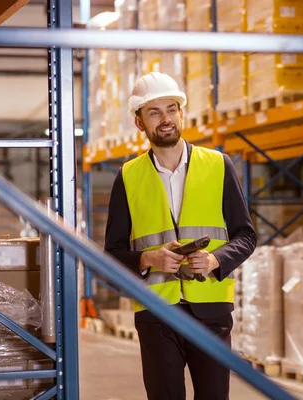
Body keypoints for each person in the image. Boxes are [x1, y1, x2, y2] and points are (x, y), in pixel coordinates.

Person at [104, 71, 257, 400]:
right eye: (154, 112)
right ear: (139, 122)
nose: (165, 119)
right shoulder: (128, 177)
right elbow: (113, 252)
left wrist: (216, 259)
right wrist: (149, 258)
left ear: (181, 113)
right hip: (157, 312)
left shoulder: (218, 165)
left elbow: (246, 236)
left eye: (171, 109)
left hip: (211, 311)